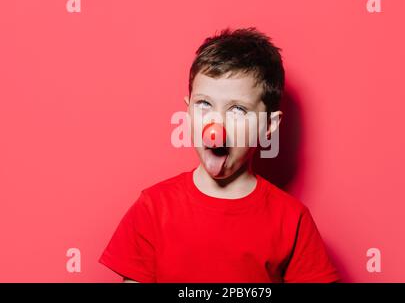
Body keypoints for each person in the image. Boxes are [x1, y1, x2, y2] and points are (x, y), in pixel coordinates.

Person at [99, 27, 340, 283]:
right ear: (188, 110)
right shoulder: (152, 208)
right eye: (204, 104)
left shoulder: (292, 220)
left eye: (237, 109)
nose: (216, 126)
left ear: (269, 126)